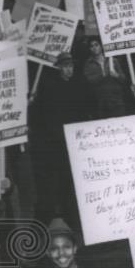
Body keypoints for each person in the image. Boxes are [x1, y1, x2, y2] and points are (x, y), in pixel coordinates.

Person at [30, 51, 90, 223]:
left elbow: (87, 107)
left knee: (73, 179)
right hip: (56, 141)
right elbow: (41, 113)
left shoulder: (79, 85)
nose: (68, 70)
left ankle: (74, 214)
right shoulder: (49, 87)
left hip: (74, 140)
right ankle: (60, 212)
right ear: (59, 68)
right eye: (65, 66)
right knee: (58, 178)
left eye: (70, 66)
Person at [83, 36, 132, 118]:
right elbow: (89, 81)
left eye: (96, 45)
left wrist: (117, 75)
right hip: (101, 102)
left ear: (101, 46)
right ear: (89, 49)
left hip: (117, 100)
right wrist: (103, 75)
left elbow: (124, 79)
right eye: (92, 46)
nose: (94, 48)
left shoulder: (112, 60)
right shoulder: (88, 64)